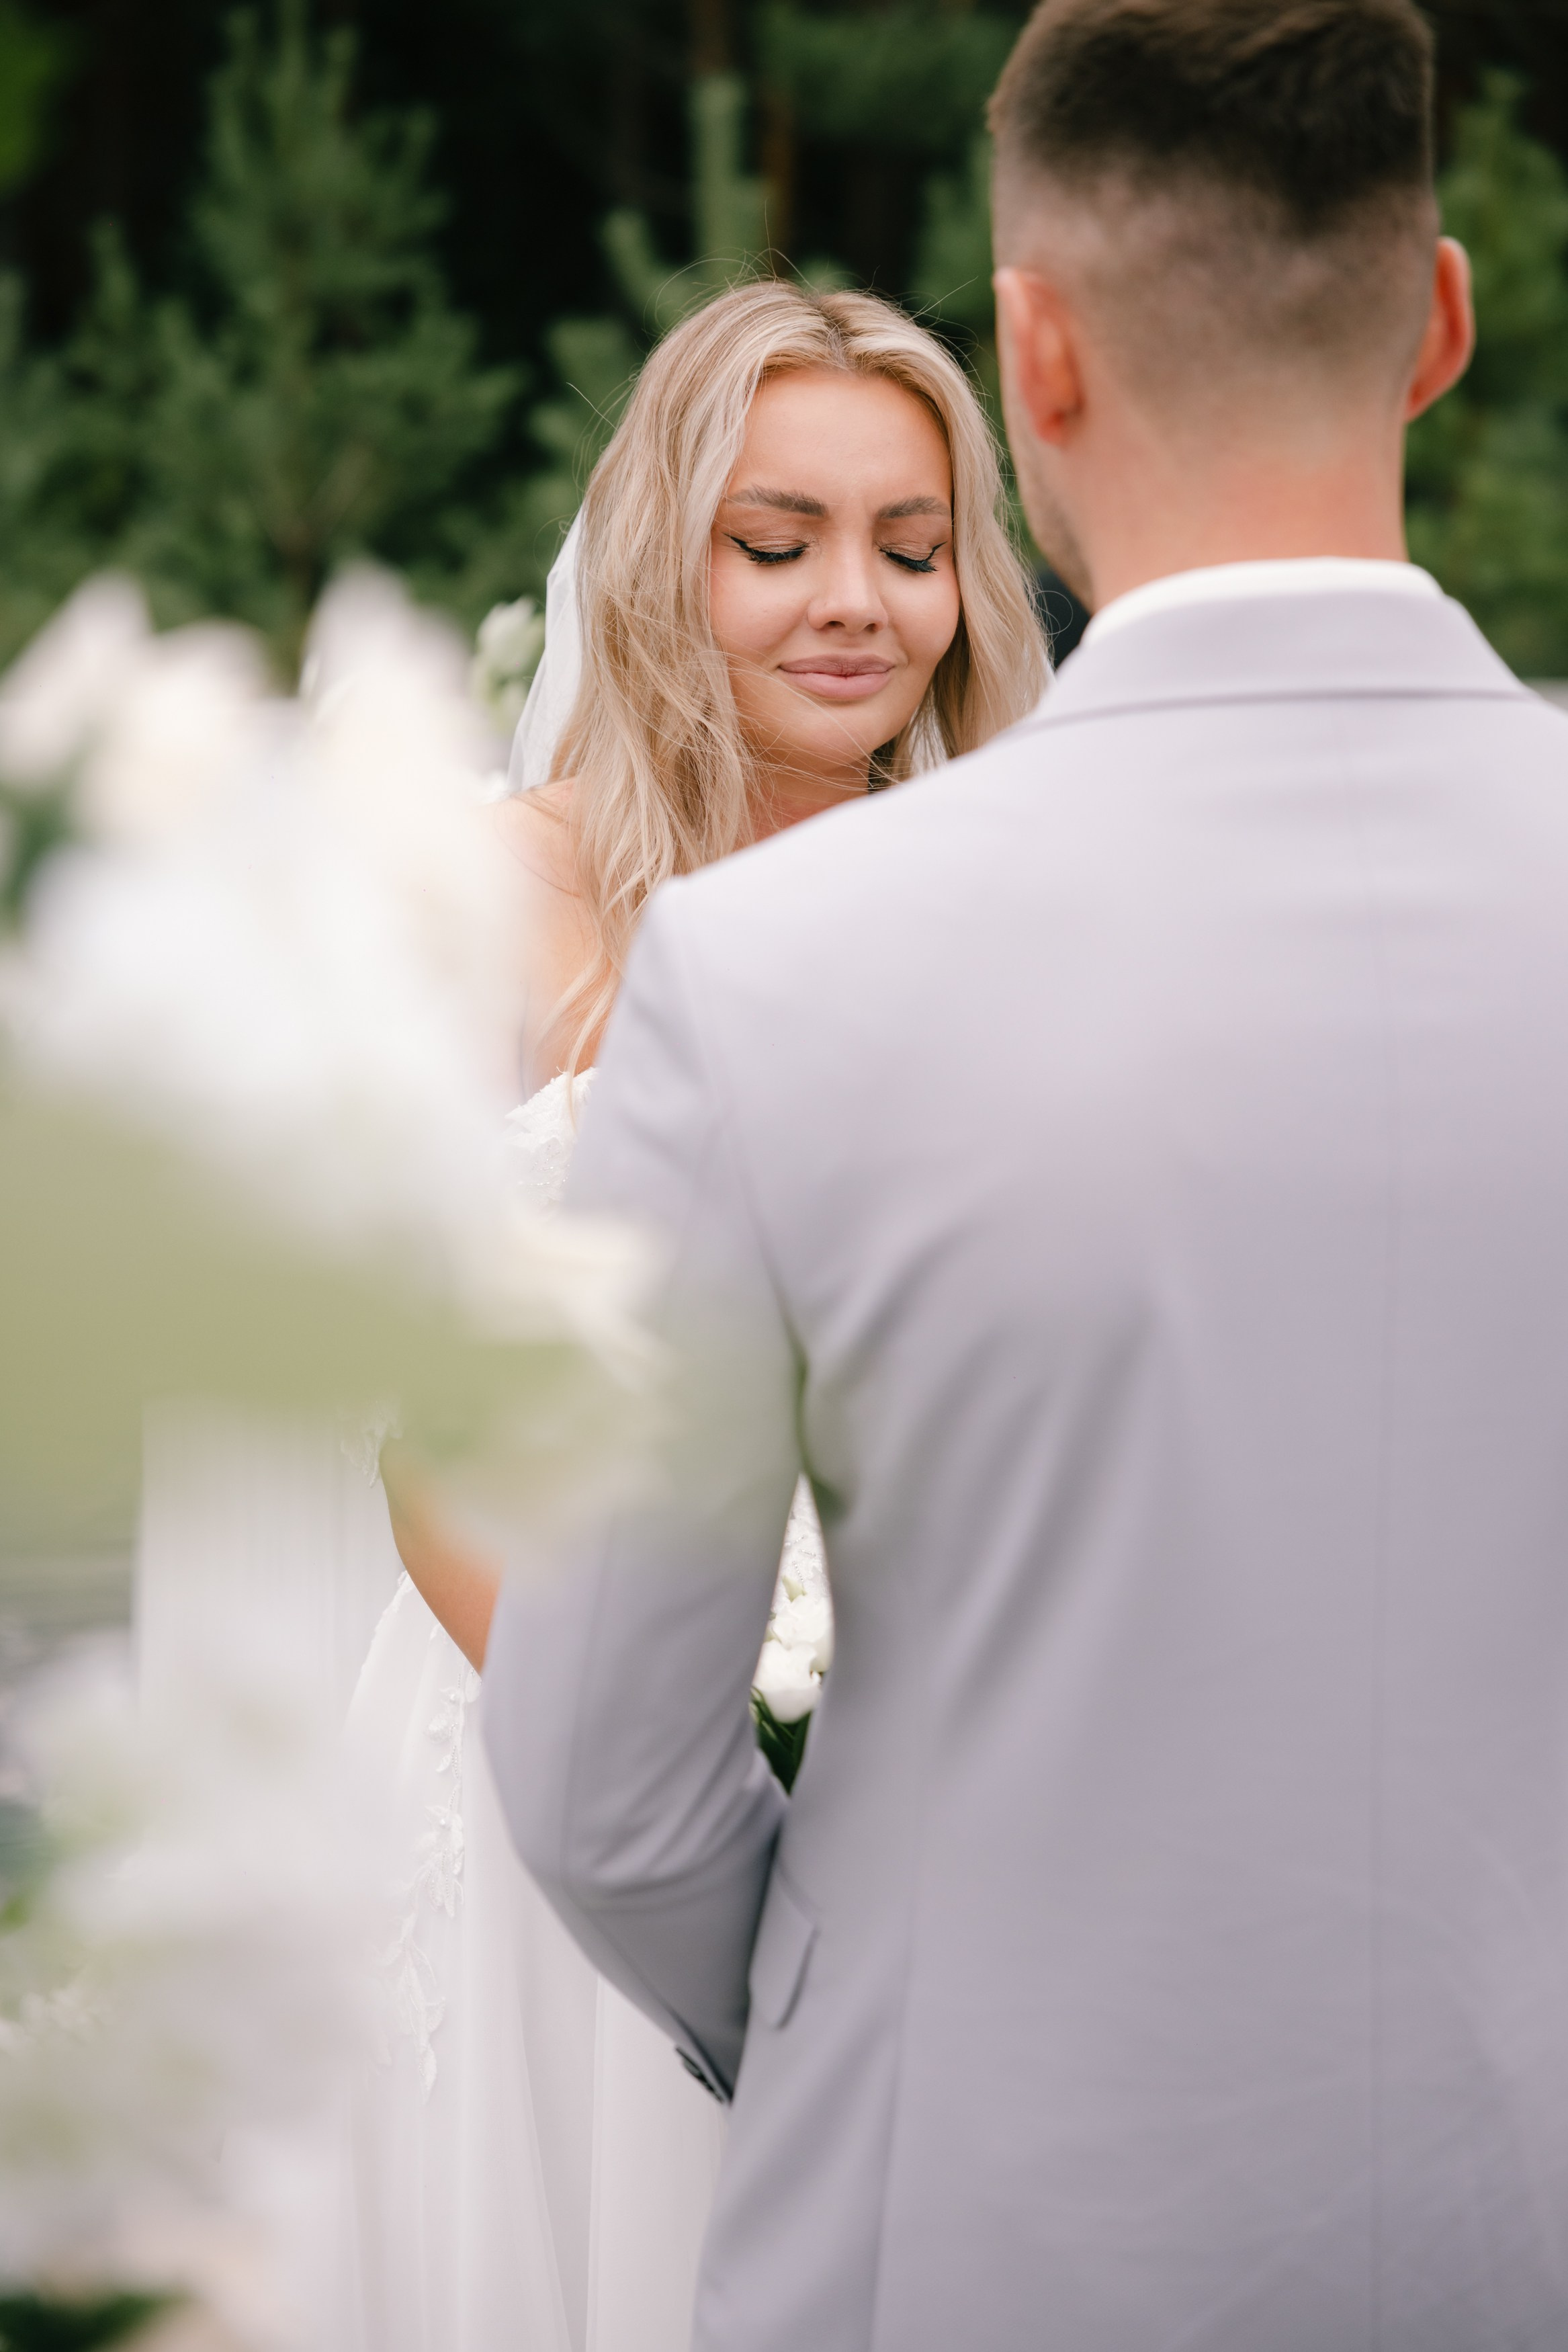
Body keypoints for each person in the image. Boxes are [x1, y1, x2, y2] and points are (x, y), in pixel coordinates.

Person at [484, 2, 1568, 2346]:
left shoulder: (774, 974)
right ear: (1447, 324)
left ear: (1034, 355)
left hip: (974, 2234)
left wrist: (881, 2026)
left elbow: (599, 1785)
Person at [337, 282, 1047, 2352]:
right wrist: (714, 1796)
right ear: (665, 557)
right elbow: (422, 1446)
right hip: (554, 1776)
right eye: (778, 543)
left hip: (944, 1819)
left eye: (912, 550)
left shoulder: (1007, 903)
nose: (857, 604)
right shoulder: (494, 901)